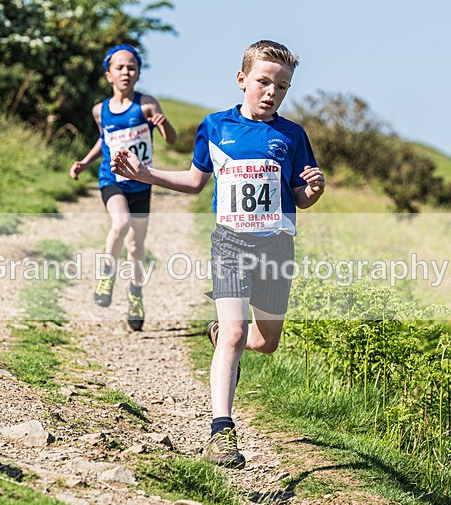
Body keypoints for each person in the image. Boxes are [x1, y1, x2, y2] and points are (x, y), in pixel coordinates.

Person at [111, 40, 325, 468]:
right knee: (235, 333)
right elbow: (194, 182)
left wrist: (313, 190)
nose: (271, 92)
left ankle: (218, 335)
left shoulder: (292, 135)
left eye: (282, 87)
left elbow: (300, 196)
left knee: (264, 342)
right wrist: (145, 174)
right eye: (264, 82)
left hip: (277, 245)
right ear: (242, 79)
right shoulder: (215, 126)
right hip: (230, 243)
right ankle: (220, 433)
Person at [70, 44, 177, 332]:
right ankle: (107, 276)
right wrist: (85, 163)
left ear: (138, 72)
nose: (126, 72)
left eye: (131, 67)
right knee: (121, 222)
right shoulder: (99, 110)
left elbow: (171, 140)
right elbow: (104, 141)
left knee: (135, 248)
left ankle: (135, 296)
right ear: (109, 75)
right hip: (111, 179)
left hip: (141, 183)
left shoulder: (147, 104)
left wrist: (163, 124)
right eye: (120, 67)